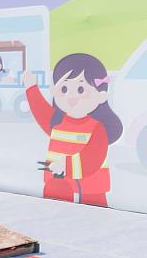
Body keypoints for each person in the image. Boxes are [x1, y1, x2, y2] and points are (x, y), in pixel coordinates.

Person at [24, 53, 122, 207]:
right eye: (64, 88)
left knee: (91, 217)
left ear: (101, 96)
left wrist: (66, 166)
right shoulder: (58, 122)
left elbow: (92, 159)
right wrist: (31, 87)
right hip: (59, 186)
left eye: (81, 89)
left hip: (90, 191)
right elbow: (40, 110)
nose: (71, 96)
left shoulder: (97, 129)